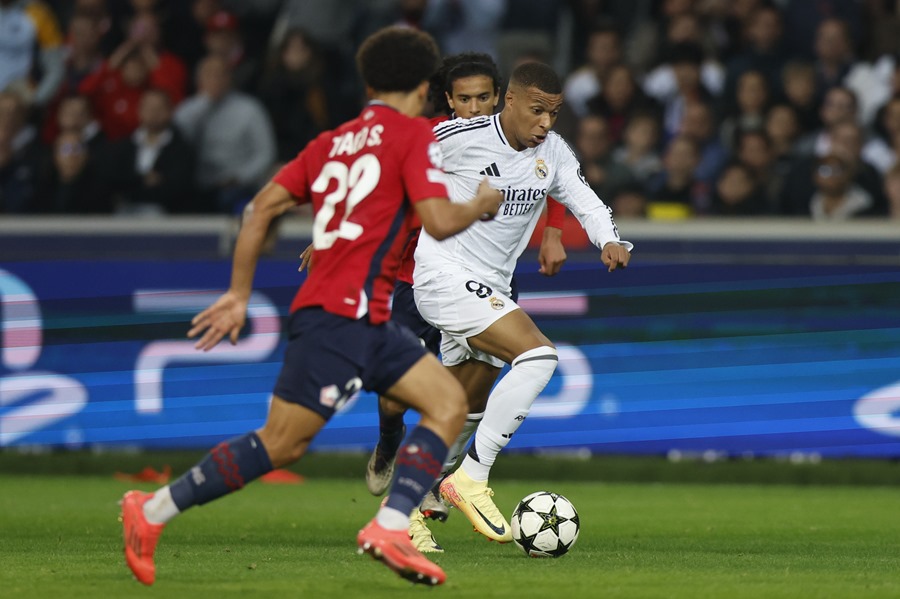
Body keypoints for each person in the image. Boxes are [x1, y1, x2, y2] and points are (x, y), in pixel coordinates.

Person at [119, 25, 504, 588]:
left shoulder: (330, 142)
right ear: (425, 88)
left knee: (445, 404)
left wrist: (238, 293)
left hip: (362, 316)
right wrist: (481, 203)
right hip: (340, 320)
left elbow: (259, 209)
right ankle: (151, 511)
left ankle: (391, 526)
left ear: (368, 80)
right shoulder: (414, 137)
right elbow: (441, 221)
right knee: (283, 443)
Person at [358, 51, 569, 554]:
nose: (474, 107)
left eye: (483, 97)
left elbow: (552, 172)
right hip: (416, 279)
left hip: (486, 281)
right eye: (464, 99)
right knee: (400, 394)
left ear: (501, 98)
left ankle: (419, 495)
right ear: (448, 102)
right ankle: (392, 440)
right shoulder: (437, 141)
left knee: (468, 402)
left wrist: (554, 229)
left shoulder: (524, 141)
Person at [412, 61, 630, 543]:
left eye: (553, 114)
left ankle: (404, 509)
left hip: (491, 287)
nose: (546, 124)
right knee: (538, 356)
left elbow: (584, 199)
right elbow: (391, 169)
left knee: (462, 407)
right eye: (536, 111)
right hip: (443, 276)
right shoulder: (458, 138)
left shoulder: (552, 152)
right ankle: (471, 478)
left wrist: (610, 240)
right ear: (509, 102)